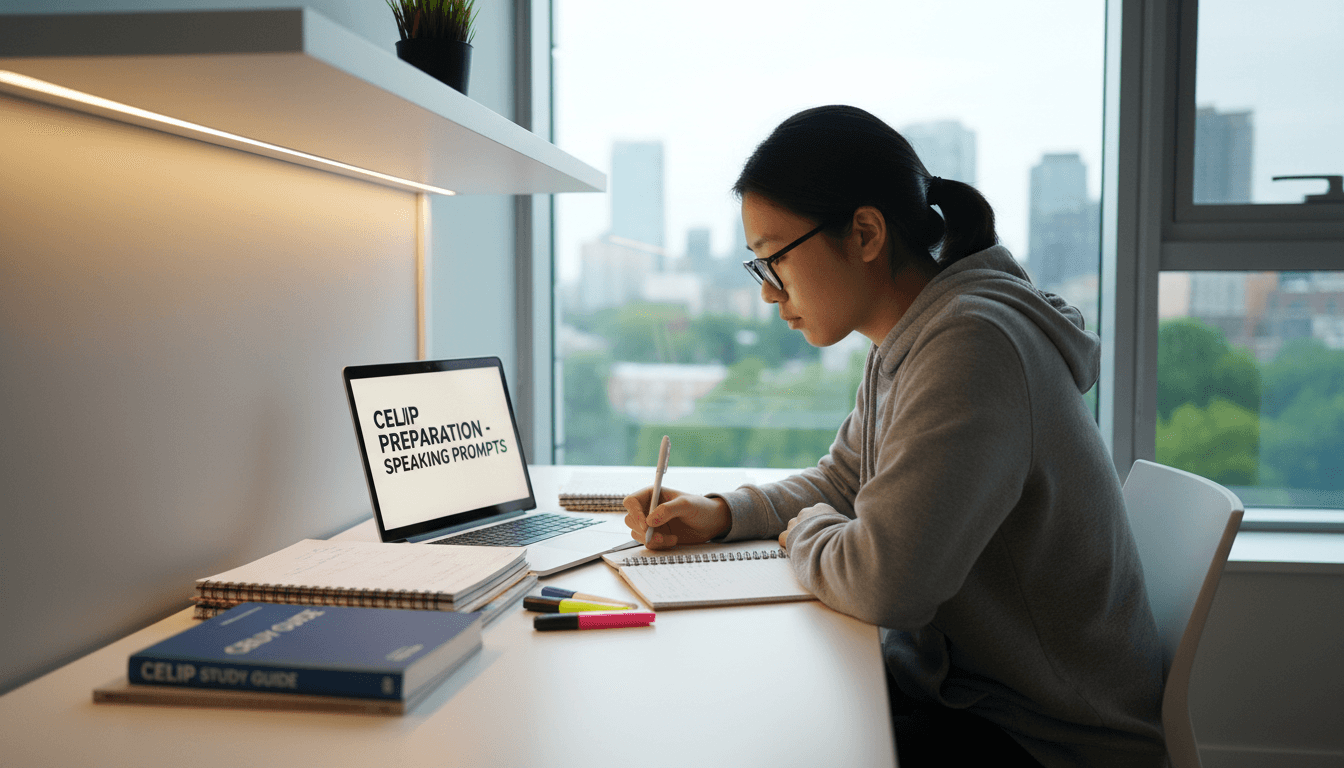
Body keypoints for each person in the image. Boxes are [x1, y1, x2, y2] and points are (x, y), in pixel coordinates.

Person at [621, 105, 1166, 768]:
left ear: (865, 233)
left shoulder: (972, 346)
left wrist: (806, 532)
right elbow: (844, 482)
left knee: (746, 736)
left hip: (1042, 738)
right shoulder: (912, 338)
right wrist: (724, 513)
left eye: (774, 260)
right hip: (964, 696)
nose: (768, 294)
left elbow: (885, 582)